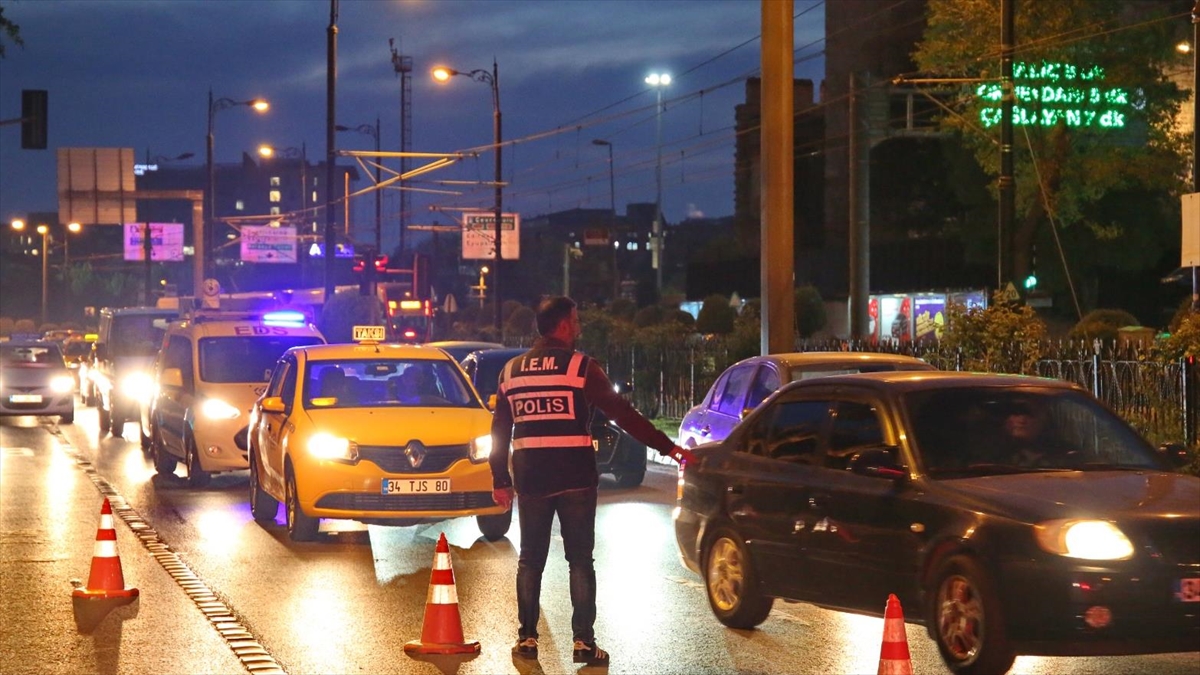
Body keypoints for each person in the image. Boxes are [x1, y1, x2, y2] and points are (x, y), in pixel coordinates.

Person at [489, 296, 693, 666]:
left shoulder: (510, 372)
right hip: (575, 478)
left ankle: (527, 639)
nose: (579, 326)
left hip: (531, 477)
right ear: (564, 325)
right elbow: (625, 415)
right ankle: (584, 642)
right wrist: (669, 449)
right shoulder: (581, 368)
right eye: (576, 319)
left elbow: (499, 431)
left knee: (530, 559)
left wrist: (500, 478)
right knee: (580, 560)